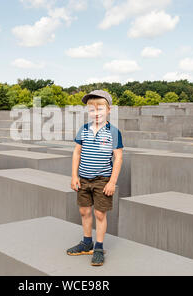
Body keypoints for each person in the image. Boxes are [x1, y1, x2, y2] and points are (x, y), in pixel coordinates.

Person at [66, 90, 124, 266]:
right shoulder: (83, 129)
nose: (96, 113)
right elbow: (77, 153)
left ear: (109, 110)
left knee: (99, 213)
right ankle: (86, 242)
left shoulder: (113, 132)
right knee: (84, 211)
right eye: (92, 110)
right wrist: (74, 175)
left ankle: (98, 247)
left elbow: (119, 158)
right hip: (83, 178)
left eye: (100, 109)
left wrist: (112, 182)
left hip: (102, 180)